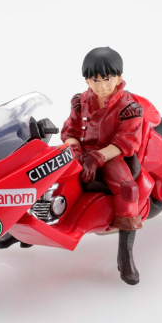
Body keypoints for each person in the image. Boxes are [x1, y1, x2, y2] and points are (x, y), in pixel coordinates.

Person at [61, 47, 144, 285]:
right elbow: (70, 130)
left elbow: (127, 141)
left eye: (107, 79)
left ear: (118, 77)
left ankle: (125, 255)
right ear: (87, 80)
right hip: (80, 151)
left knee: (128, 189)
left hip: (110, 154)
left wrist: (97, 157)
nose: (101, 86)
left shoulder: (129, 107)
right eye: (95, 80)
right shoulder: (80, 101)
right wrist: (75, 149)